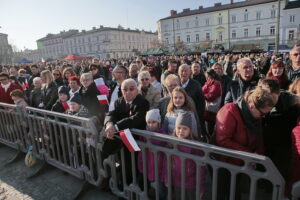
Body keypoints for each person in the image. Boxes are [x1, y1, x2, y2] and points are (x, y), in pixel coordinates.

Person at [213, 86, 276, 200]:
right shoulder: (229, 111)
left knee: (235, 191)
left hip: (241, 163)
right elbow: (222, 140)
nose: (263, 117)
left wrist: (259, 154)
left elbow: (258, 136)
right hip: (223, 163)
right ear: (252, 106)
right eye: (262, 114)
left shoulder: (255, 115)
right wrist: (250, 154)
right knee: (223, 193)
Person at [103, 78, 150, 185]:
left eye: (131, 89)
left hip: (135, 141)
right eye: (125, 89)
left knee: (134, 166)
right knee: (122, 164)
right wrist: (109, 124)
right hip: (120, 141)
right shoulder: (119, 101)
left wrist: (116, 126)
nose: (128, 92)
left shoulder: (143, 102)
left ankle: (136, 188)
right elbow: (111, 114)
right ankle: (123, 185)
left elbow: (137, 118)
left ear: (137, 90)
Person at [259, 78, 300, 182]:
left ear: (278, 93)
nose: (269, 101)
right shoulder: (260, 100)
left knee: (280, 171)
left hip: (284, 144)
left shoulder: (292, 102)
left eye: (272, 97)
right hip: (267, 141)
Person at [164, 111, 205, 200]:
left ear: (190, 129)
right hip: (177, 181)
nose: (181, 131)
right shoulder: (172, 143)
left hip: (191, 183)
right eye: (179, 128)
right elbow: (167, 163)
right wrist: (167, 178)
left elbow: (201, 169)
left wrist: (201, 187)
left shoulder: (196, 146)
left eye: (184, 128)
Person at [137, 109, 167, 199]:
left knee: (161, 189)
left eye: (153, 122)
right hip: (149, 166)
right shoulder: (144, 134)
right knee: (151, 186)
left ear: (158, 122)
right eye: (148, 122)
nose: (151, 125)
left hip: (159, 167)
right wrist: (141, 164)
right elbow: (141, 153)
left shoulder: (163, 134)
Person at [178, 64, 206, 136]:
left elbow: (201, 103)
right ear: (178, 73)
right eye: (182, 71)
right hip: (178, 117)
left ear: (190, 72)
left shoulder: (196, 85)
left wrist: (197, 116)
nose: (184, 73)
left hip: (193, 117)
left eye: (186, 71)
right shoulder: (176, 84)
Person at [202, 69, 223, 136]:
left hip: (212, 112)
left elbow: (211, 96)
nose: (206, 78)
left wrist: (202, 95)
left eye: (207, 76)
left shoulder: (216, 83)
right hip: (208, 111)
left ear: (211, 75)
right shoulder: (208, 83)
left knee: (210, 130)